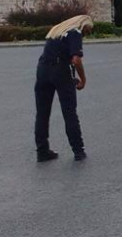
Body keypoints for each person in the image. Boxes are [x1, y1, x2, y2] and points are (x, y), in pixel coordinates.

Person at [34, 14, 93, 162]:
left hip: (42, 69)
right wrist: (83, 80)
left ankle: (42, 151)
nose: (87, 34)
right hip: (60, 70)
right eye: (88, 31)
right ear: (84, 25)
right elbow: (76, 60)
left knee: (42, 113)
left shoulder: (56, 30)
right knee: (69, 112)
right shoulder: (75, 32)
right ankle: (78, 150)